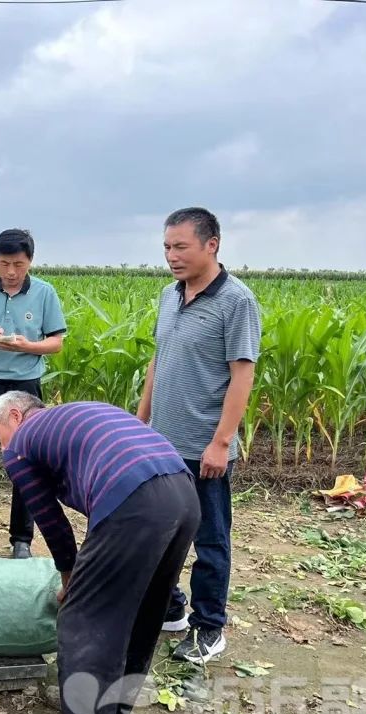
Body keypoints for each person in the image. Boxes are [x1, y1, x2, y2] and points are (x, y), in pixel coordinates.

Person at [0, 392, 199, 714]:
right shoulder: (78, 415)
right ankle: (112, 713)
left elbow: (50, 521)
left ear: (15, 415)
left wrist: (71, 579)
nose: (3, 449)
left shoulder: (24, 442)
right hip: (181, 493)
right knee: (141, 614)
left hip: (135, 501)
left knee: (84, 623)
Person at [136, 207, 261, 664]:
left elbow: (241, 375)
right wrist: (141, 418)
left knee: (209, 540)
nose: (171, 256)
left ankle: (209, 627)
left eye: (180, 246)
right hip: (161, 442)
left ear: (212, 245)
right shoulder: (170, 296)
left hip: (202, 445)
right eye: (167, 247)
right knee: (157, 532)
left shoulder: (237, 302)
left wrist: (221, 442)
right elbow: (159, 359)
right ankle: (170, 610)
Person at [0, 228, 67, 559]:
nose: (10, 272)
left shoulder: (46, 294)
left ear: (30, 262)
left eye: (18, 264)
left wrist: (27, 345)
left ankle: (21, 538)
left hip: (24, 388)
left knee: (25, 459)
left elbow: (56, 343)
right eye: (4, 263)